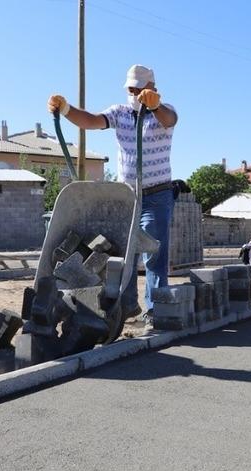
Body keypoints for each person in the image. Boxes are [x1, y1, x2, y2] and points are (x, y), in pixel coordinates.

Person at [47, 64, 178, 329]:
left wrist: (155, 106)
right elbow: (92, 121)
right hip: (127, 196)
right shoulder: (120, 113)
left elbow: (169, 120)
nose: (135, 93)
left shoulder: (164, 111)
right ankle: (127, 306)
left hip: (157, 194)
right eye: (131, 88)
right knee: (125, 251)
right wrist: (67, 109)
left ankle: (155, 309)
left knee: (153, 250)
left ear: (152, 87)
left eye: (140, 88)